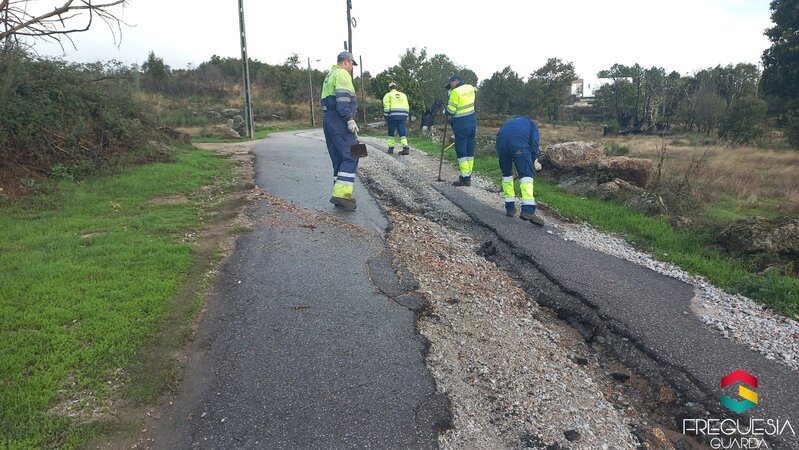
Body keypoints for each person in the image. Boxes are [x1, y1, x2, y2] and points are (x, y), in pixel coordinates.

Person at [320, 51, 359, 211]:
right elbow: (343, 100)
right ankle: (342, 196)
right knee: (351, 155)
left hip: (328, 118)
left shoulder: (330, 75)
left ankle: (338, 193)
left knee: (338, 158)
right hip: (339, 119)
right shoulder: (342, 74)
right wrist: (349, 119)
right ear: (346, 62)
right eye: (351, 65)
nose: (351, 68)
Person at [495, 116, 545, 226]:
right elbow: (534, 143)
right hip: (519, 145)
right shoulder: (532, 125)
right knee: (526, 176)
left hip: (502, 144)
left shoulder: (510, 122)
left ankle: (510, 208)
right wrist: (534, 160)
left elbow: (499, 136)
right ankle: (528, 210)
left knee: (507, 175)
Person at [444, 75, 476, 186]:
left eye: (451, 84)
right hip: (472, 123)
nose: (451, 87)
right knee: (469, 150)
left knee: (461, 151)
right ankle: (468, 174)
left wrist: (445, 111)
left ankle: (465, 178)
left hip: (461, 125)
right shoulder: (470, 88)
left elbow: (451, 110)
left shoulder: (455, 92)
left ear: (455, 81)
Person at [382, 82, 410, 155]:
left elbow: (386, 107)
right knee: (402, 132)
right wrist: (406, 116)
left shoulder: (388, 95)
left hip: (392, 116)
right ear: (396, 87)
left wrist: (386, 116)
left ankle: (391, 149)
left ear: (389, 88)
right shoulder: (403, 95)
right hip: (402, 116)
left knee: (391, 132)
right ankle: (405, 148)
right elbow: (407, 106)